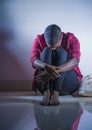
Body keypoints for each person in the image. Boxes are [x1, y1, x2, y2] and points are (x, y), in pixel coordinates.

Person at [30, 24, 83, 105]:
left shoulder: (71, 39)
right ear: (44, 38)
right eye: (51, 46)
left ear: (61, 37)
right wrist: (46, 66)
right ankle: (46, 92)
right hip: (44, 83)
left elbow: (75, 61)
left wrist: (54, 71)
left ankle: (56, 93)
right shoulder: (39, 39)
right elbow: (33, 60)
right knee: (47, 51)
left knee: (61, 52)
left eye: (54, 46)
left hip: (66, 83)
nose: (53, 48)